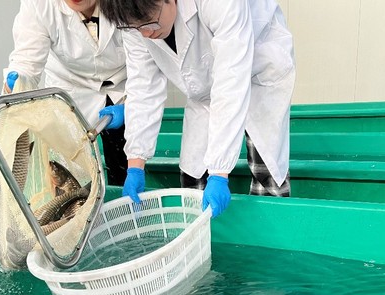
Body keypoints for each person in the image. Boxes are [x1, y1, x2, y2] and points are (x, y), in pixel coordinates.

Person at [100, 0, 295, 217]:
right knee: (193, 176)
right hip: (203, 86)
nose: (146, 34)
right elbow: (143, 85)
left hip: (259, 68)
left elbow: (230, 81)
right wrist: (135, 164)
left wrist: (219, 173)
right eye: (136, 28)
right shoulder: (132, 21)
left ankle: (271, 230)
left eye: (150, 23)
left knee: (266, 170)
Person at [3, 0, 128, 186]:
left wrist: (132, 105)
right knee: (68, 172)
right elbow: (26, 61)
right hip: (71, 85)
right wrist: (17, 82)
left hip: (123, 82)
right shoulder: (39, 4)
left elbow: (145, 61)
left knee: (123, 161)